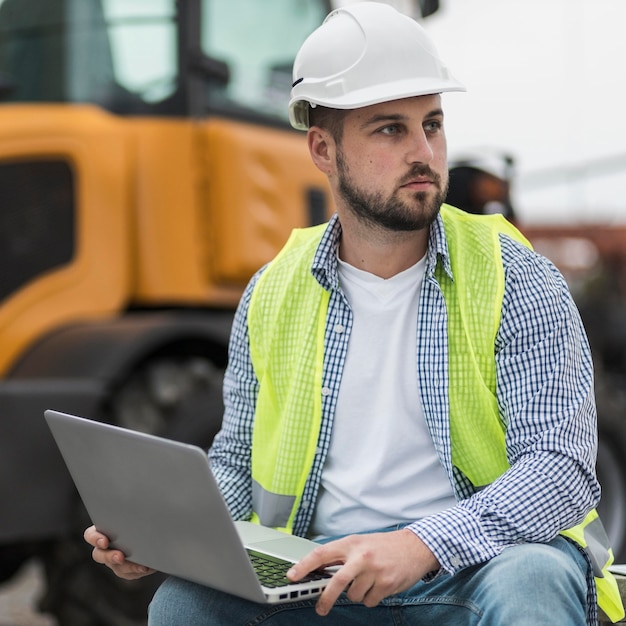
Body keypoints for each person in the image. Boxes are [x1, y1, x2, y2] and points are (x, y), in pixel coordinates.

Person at [84, 3, 624, 624]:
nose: (424, 152)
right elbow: (236, 463)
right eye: (391, 129)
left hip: (473, 570)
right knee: (183, 605)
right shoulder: (271, 293)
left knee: (534, 577)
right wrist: (165, 537)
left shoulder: (514, 276)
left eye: (434, 125)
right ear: (322, 148)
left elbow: (559, 469)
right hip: (321, 578)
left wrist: (421, 544)